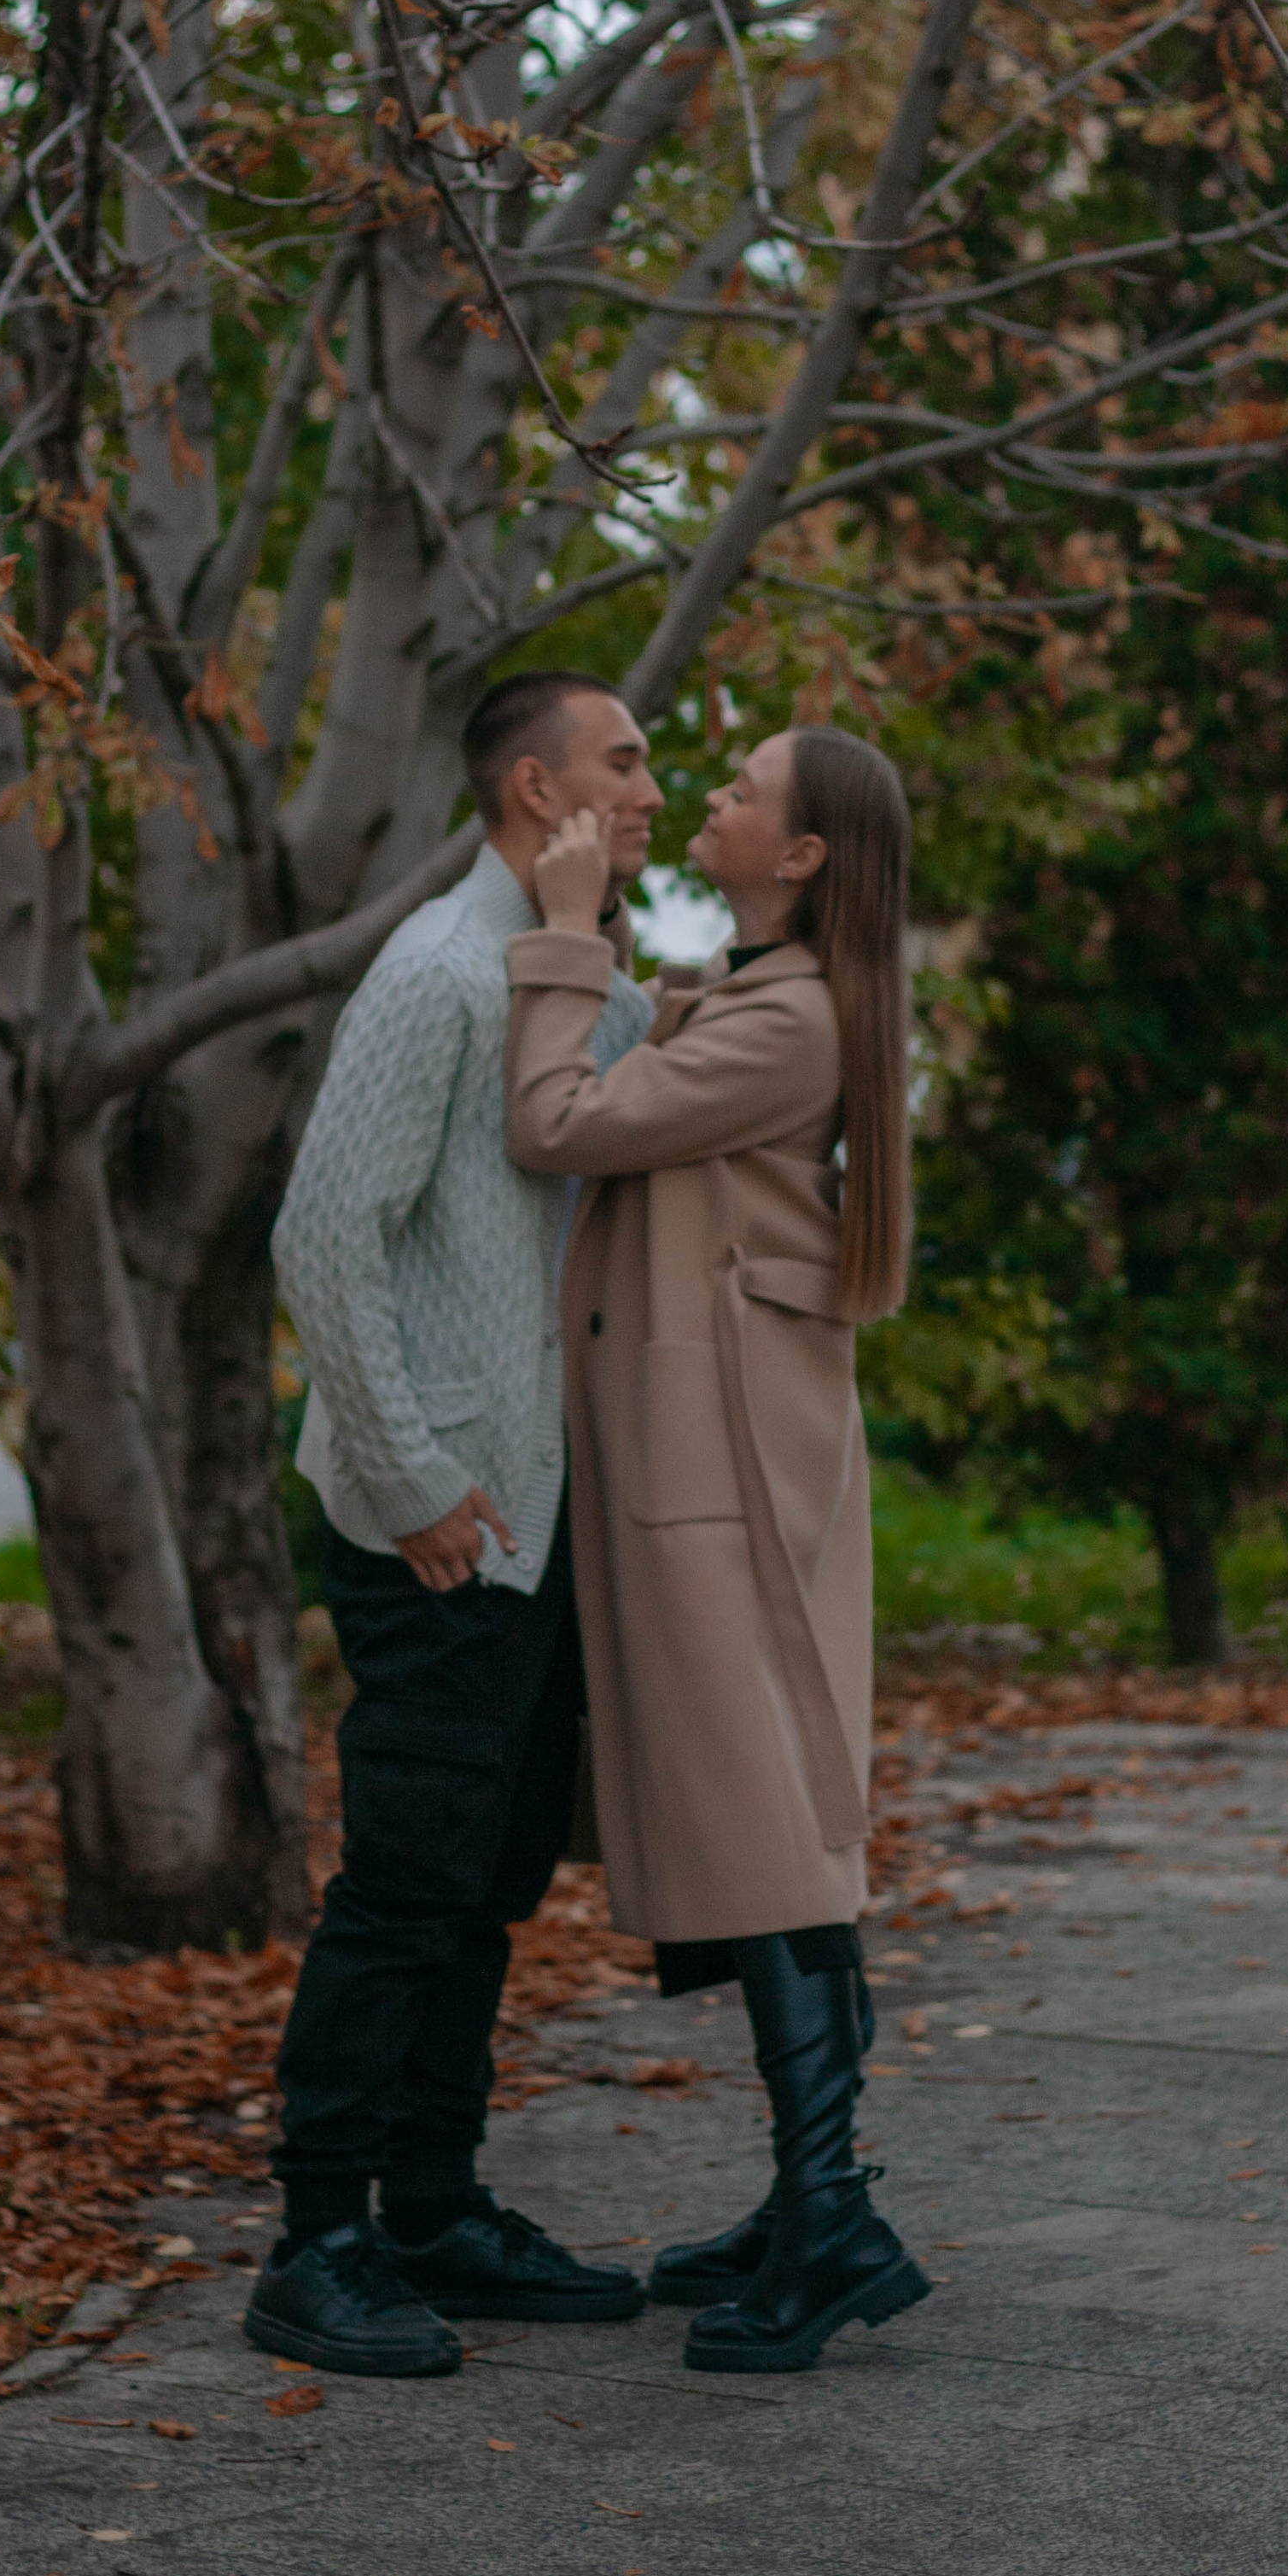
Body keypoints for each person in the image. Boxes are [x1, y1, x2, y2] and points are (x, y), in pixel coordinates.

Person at [244, 670, 664, 2380]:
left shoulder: (570, 979)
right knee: (406, 1889)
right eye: (623, 763)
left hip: (535, 1515)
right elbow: (319, 1239)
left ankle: (433, 2210)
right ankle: (316, 2238)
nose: (648, 789)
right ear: (529, 786)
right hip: (438, 1517)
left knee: (483, 1883)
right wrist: (414, 1481)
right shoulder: (430, 972)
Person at [503, 722, 930, 2375]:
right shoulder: (775, 999)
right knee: (766, 1817)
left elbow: (556, 1120)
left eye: (744, 792)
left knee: (761, 1823)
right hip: (720, 1444)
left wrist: (560, 929)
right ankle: (812, 2196)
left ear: (804, 854)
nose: (709, 803)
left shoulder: (795, 1020)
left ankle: (826, 2217)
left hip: (722, 1466)